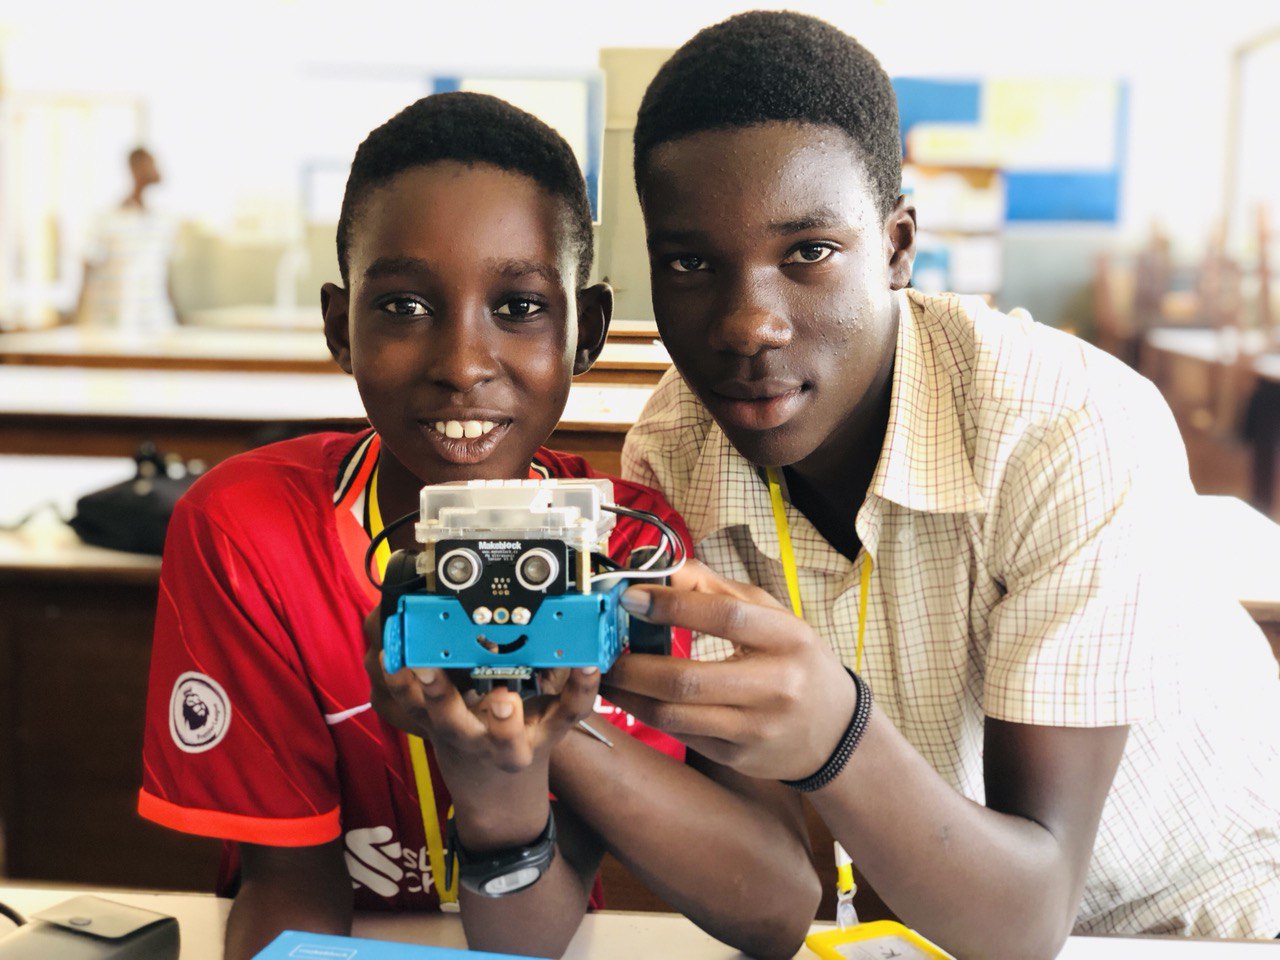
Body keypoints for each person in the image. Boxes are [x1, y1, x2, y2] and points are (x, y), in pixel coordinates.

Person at [607, 11, 1280, 957]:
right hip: (930, 917)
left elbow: (1033, 915)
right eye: (690, 263)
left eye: (808, 252)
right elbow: (777, 875)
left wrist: (836, 736)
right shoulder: (672, 454)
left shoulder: (1066, 427)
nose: (748, 322)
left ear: (896, 245)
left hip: (1207, 914)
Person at [137, 92, 817, 960]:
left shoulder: (629, 549)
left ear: (588, 330)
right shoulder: (248, 535)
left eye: (521, 306)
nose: (462, 365)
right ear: (340, 327)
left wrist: (528, 753)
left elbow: (729, 916)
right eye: (404, 308)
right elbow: (291, 893)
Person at [74, 146, 180, 331]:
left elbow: (165, 276)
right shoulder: (107, 220)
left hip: (156, 323)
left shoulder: (162, 222)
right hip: (113, 325)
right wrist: (77, 317)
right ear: (135, 168)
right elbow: (87, 268)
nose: (158, 169)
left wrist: (177, 315)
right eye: (152, 163)